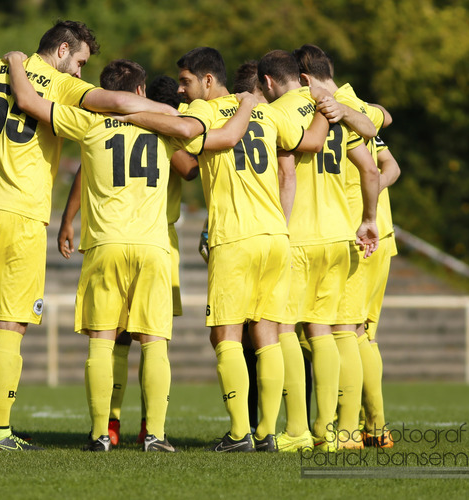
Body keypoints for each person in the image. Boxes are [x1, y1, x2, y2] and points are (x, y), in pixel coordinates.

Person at [0, 20, 177, 452]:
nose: (80, 72)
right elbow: (116, 100)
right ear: (63, 50)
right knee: (11, 322)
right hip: (19, 216)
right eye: (79, 61)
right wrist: (165, 113)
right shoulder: (62, 86)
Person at [115, 47, 319, 452]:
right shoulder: (266, 111)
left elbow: (183, 132)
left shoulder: (207, 112)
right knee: (267, 334)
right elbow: (308, 141)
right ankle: (266, 434)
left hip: (235, 237)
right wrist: (329, 108)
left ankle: (240, 433)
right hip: (275, 237)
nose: (182, 91)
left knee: (225, 335)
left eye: (187, 82)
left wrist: (128, 115)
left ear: (208, 81)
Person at [56, 74, 198, 446]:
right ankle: (153, 432)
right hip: (156, 243)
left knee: (108, 339)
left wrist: (68, 221)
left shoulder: (93, 125)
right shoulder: (165, 128)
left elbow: (85, 168)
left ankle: (105, 430)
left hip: (106, 240)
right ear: (139, 91)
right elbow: (192, 167)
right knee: (153, 339)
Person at [258, 49, 380, 451]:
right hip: (339, 236)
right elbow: (371, 167)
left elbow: (285, 170)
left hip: (300, 238)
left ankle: (297, 431)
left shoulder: (278, 114)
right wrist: (369, 218)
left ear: (271, 81)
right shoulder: (331, 111)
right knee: (327, 332)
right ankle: (334, 433)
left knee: (286, 330)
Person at [292, 43, 401, 448]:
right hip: (372, 232)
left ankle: (361, 427)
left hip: (356, 233)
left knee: (347, 332)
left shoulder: (329, 106)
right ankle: (364, 424)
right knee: (356, 332)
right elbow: (388, 154)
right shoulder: (352, 103)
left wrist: (366, 204)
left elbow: (377, 139)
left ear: (303, 79)